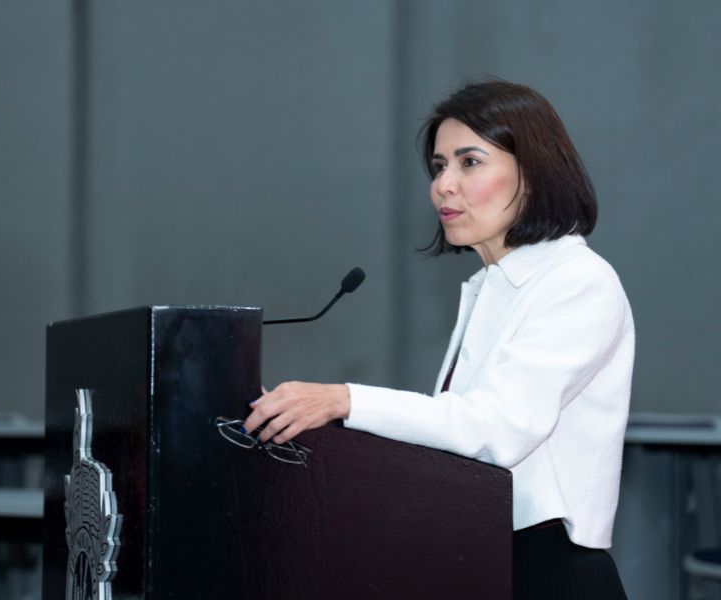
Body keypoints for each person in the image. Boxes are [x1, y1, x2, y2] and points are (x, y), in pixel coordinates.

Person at [242, 80, 634, 600]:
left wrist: (343, 400)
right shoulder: (491, 285)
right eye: (438, 166)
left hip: (547, 572)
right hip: (480, 558)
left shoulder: (577, 280)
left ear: (535, 173)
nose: (443, 185)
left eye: (469, 162)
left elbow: (496, 429)